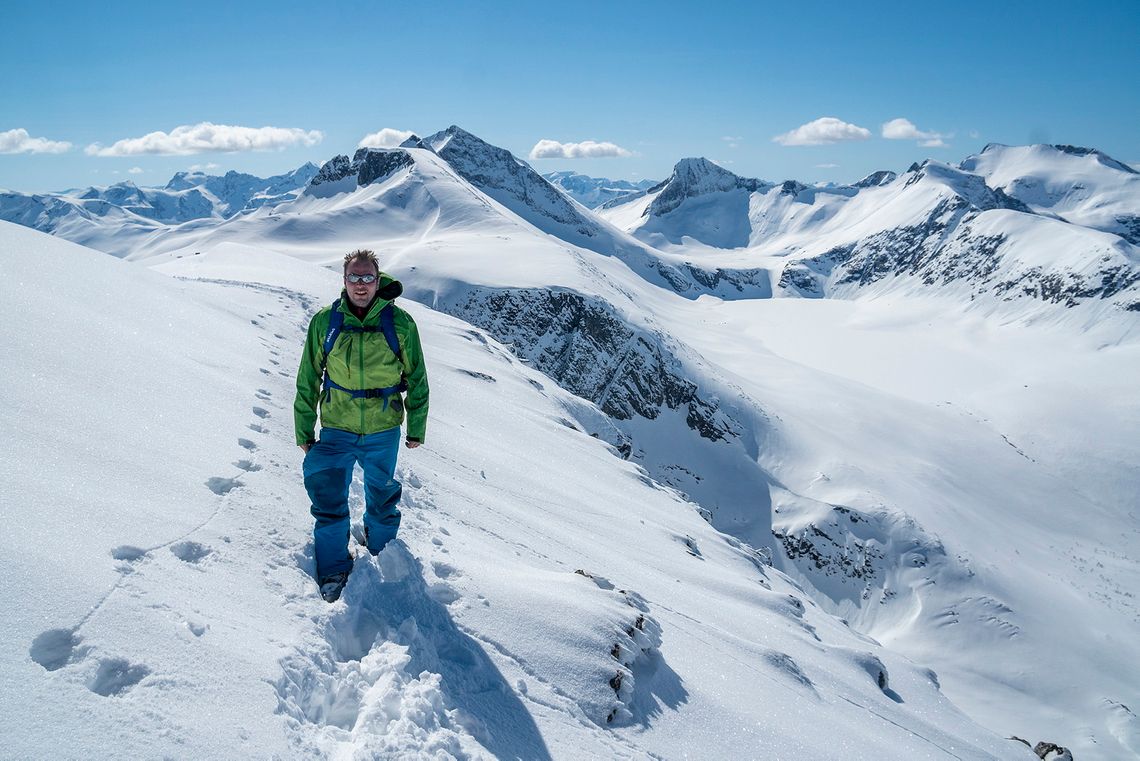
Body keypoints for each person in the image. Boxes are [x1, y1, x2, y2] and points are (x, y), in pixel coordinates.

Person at [294, 249, 429, 602]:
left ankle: (383, 553)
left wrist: (417, 426)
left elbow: (417, 376)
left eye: (367, 277)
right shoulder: (326, 322)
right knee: (327, 499)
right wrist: (304, 430)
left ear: (378, 279)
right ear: (344, 280)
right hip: (336, 427)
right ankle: (333, 567)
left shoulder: (400, 324)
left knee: (382, 495)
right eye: (354, 277)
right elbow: (308, 376)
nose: (361, 285)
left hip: (383, 428)